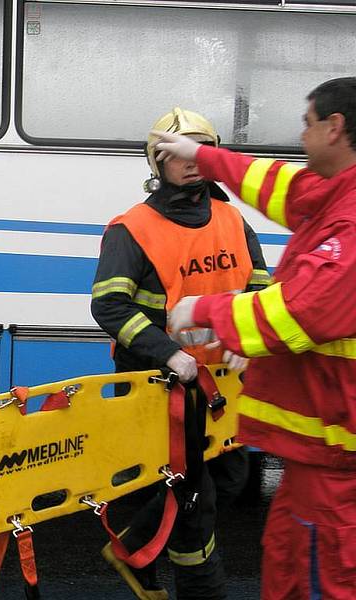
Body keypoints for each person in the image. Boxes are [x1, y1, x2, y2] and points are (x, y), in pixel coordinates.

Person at [160, 78, 356, 599]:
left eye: (308, 122)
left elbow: (305, 310)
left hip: (339, 465)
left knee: (324, 581)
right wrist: (207, 156)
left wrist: (206, 313)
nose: (301, 133)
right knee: (290, 571)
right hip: (317, 459)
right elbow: (279, 187)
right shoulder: (338, 190)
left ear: (334, 128)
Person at [91, 108, 270, 600]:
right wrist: (167, 352)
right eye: (175, 153)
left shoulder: (233, 220)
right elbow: (108, 304)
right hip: (159, 387)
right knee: (194, 502)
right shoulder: (132, 228)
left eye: (198, 150)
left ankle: (132, 546)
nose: (189, 163)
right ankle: (200, 590)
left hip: (222, 387)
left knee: (230, 478)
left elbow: (260, 290)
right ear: (158, 163)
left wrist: (246, 339)